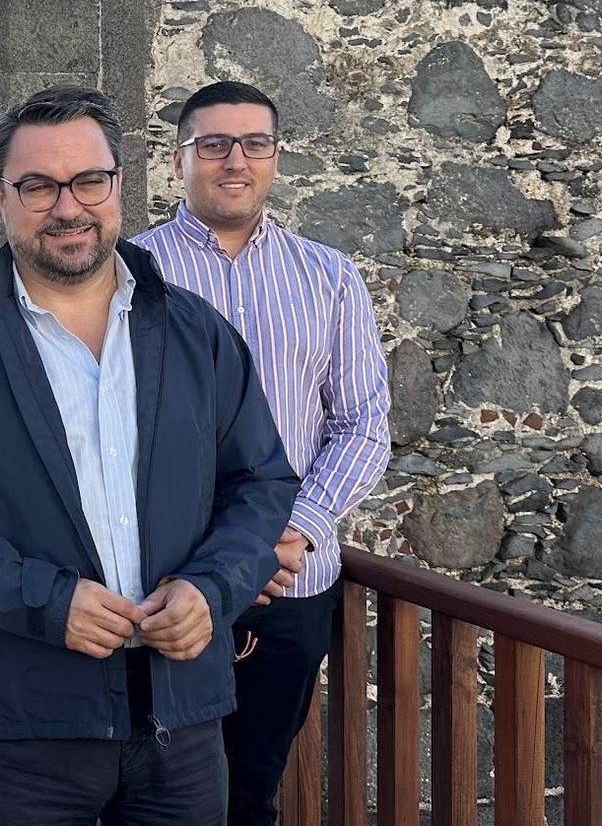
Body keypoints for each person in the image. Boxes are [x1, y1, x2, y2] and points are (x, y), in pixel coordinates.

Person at [0, 84, 300, 826]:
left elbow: (259, 481)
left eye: (89, 180)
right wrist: (45, 600)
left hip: (182, 717)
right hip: (21, 728)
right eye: (38, 185)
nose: (68, 207)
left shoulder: (198, 334)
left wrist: (213, 588)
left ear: (119, 183)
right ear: (0, 198)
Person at [131, 80, 390, 826]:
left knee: (253, 791)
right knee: (155, 791)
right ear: (178, 159)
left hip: (289, 581)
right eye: (213, 144)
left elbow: (364, 423)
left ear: (276, 157)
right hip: (166, 582)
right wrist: (219, 555)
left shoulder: (330, 276)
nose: (234, 160)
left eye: (254, 143)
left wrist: (292, 531)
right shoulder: (128, 273)